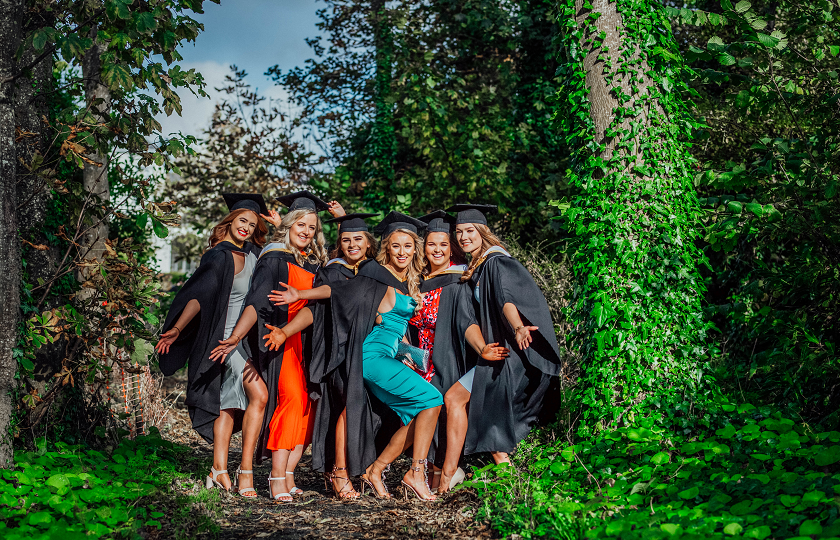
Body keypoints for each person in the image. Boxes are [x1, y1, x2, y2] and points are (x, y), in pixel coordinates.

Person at [272, 212, 444, 501]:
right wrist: (300, 293)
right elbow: (337, 292)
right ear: (386, 248)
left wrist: (407, 351)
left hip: (389, 355)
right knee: (430, 399)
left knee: (416, 411)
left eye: (407, 246)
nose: (402, 252)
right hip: (372, 356)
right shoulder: (376, 274)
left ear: (415, 249)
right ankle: (410, 472)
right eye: (396, 246)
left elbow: (395, 322)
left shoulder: (407, 279)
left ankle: (377, 469)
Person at [210, 191, 332, 502]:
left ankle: (287, 473)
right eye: (300, 225)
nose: (306, 231)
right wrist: (236, 337)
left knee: (307, 404)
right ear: (289, 225)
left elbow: (317, 306)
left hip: (305, 341)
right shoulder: (275, 258)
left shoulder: (315, 263)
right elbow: (255, 302)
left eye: (312, 227)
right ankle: (271, 476)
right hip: (276, 341)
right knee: (290, 398)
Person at [156, 193, 277, 498]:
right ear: (229, 221)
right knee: (258, 395)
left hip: (248, 337)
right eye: (242, 221)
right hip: (225, 339)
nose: (247, 228)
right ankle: (244, 470)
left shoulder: (255, 254)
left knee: (229, 402)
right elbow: (198, 296)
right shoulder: (218, 255)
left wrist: (277, 227)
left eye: (252, 224)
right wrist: (177, 329)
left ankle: (218, 469)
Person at [437, 204, 562, 494]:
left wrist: (518, 326)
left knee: (463, 399)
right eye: (460, 233)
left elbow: (508, 298)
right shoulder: (477, 266)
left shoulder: (496, 262)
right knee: (462, 400)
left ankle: (453, 478)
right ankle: (496, 477)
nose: (464, 237)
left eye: (470, 231)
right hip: (496, 350)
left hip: (510, 351)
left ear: (482, 232)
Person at [264, 212, 379, 500]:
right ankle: (337, 473)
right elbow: (313, 310)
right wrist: (285, 331)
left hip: (371, 354)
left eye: (358, 239)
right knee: (342, 408)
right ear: (339, 244)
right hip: (337, 354)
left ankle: (357, 470)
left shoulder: (376, 270)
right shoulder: (331, 271)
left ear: (369, 242)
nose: (352, 245)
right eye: (345, 240)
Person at [409, 211, 509, 493]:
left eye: (443, 244)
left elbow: (467, 321)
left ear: (450, 247)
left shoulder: (457, 279)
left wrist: (481, 348)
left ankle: (444, 475)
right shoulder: (418, 278)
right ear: (423, 247)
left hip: (449, 355)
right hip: (420, 357)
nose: (437, 250)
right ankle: (425, 475)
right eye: (431, 244)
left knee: (442, 408)